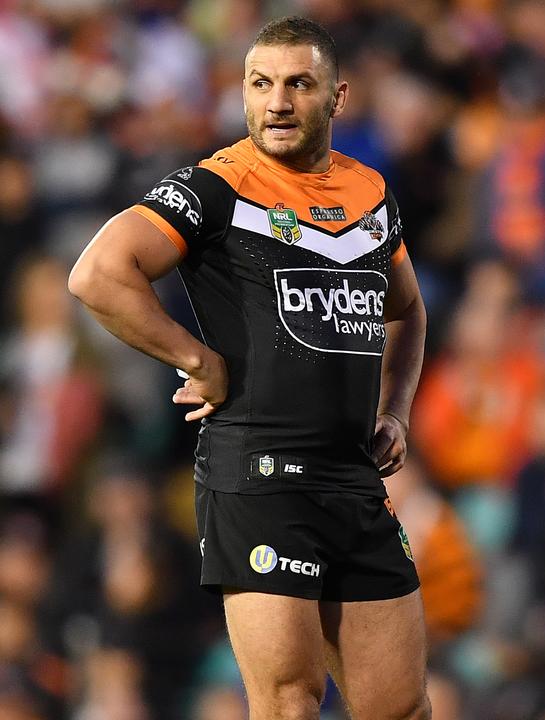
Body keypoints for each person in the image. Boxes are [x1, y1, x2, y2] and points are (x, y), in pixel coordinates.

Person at [68, 17, 430, 720]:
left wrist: (396, 410)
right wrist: (194, 358)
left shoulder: (370, 193)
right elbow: (98, 274)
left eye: (299, 84)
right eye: (261, 84)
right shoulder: (219, 185)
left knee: (402, 709)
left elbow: (408, 312)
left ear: (338, 96)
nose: (278, 102)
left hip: (354, 480)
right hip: (259, 475)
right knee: (291, 703)